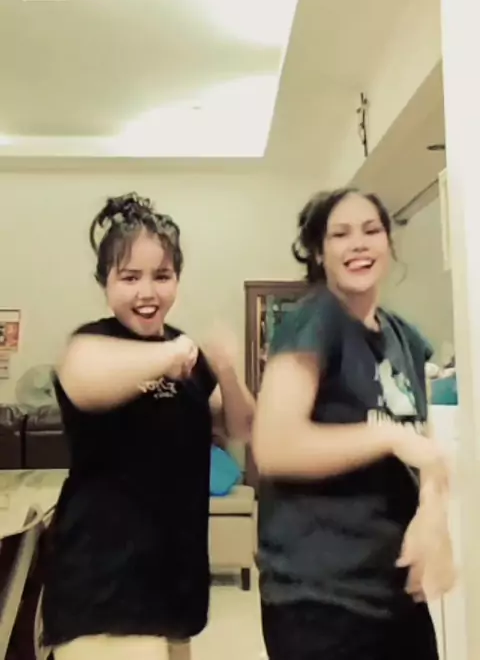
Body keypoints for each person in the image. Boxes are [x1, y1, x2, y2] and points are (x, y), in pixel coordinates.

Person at [41, 192, 255, 660]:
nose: (147, 292)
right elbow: (80, 379)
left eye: (162, 275)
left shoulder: (187, 354)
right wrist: (171, 355)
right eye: (129, 277)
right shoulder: (92, 344)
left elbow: (241, 427)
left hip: (175, 585)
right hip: (105, 589)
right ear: (105, 282)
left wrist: (227, 371)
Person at [253, 188, 455, 660]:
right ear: (318, 253)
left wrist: (432, 514)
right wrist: (385, 435)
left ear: (388, 242)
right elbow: (275, 446)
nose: (358, 243)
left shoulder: (404, 337)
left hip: (392, 590)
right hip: (320, 596)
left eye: (371, 230)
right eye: (340, 234)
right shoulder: (314, 319)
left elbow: (421, 446)